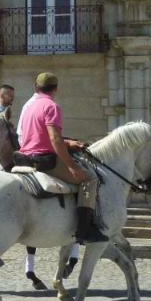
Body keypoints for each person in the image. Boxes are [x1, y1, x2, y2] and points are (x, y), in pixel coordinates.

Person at [16, 72, 107, 244]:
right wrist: (72, 166)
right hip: (44, 160)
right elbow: (54, 139)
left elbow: (40, 136)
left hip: (25, 156)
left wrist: (69, 143)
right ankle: (84, 230)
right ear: (55, 89)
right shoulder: (52, 106)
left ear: (36, 87)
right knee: (90, 178)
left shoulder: (29, 106)